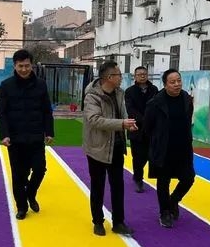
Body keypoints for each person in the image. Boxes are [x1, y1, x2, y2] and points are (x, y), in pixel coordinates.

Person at [0, 49, 55, 220]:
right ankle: (22, 207)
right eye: (20, 66)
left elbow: (47, 111)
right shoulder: (6, 85)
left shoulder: (41, 85)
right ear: (15, 66)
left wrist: (49, 131)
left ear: (32, 65)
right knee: (18, 175)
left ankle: (30, 193)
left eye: (27, 66)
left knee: (40, 169)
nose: (24, 69)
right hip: (15, 139)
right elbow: (1, 113)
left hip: (36, 137)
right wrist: (4, 134)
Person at [82, 61, 138, 237]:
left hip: (117, 146)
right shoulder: (92, 96)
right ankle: (98, 221)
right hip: (97, 147)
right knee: (98, 186)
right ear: (109, 77)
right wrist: (122, 124)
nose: (121, 77)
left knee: (118, 186)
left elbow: (122, 113)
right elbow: (94, 120)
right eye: (118, 75)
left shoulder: (119, 93)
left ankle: (118, 222)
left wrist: (128, 123)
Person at [144, 69, 196, 229]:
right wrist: (157, 141)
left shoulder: (186, 99)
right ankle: (164, 212)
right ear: (165, 84)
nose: (177, 84)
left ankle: (174, 200)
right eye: (172, 82)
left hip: (183, 147)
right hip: (163, 148)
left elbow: (188, 120)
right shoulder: (155, 103)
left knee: (188, 178)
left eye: (179, 81)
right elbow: (147, 126)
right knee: (163, 181)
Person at [124, 66, 158, 193]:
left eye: (144, 74)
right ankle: (138, 179)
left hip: (152, 129)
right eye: (139, 74)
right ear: (135, 76)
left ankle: (144, 175)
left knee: (150, 155)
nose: (142, 76)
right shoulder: (129, 91)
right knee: (138, 157)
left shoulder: (154, 89)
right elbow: (130, 109)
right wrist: (144, 120)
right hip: (136, 128)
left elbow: (157, 106)